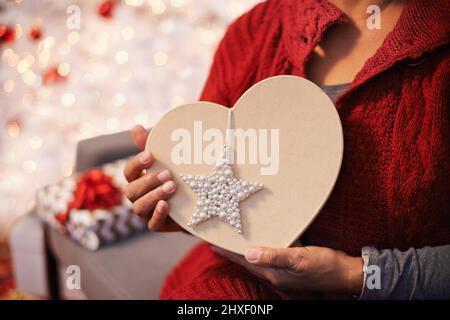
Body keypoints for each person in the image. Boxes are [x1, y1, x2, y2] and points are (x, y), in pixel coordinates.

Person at [123, 0, 450, 299]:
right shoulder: (253, 32)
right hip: (241, 284)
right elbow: (218, 179)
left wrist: (357, 275)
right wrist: (182, 202)